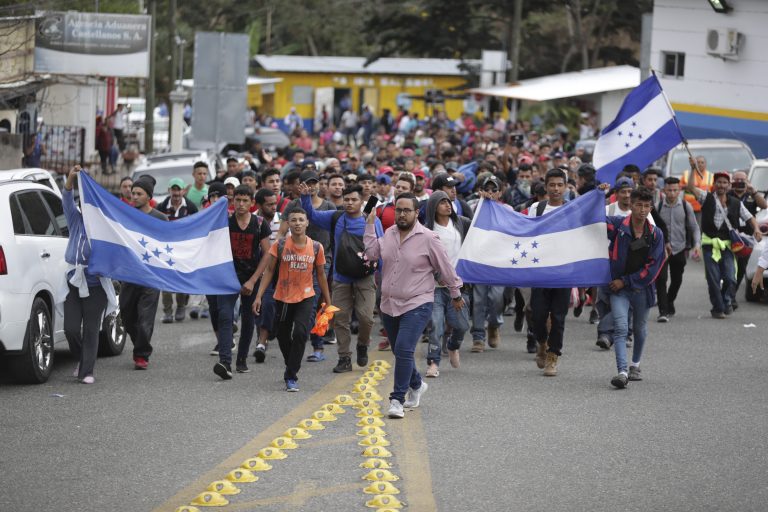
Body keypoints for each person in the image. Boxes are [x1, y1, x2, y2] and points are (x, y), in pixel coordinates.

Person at [363, 193, 465, 419]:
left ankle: (397, 399)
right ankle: (417, 384)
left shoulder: (429, 238)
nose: (401, 214)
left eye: (407, 210)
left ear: (416, 213)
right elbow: (370, 255)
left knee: (403, 349)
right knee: (401, 351)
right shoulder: (388, 234)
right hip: (388, 303)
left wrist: (456, 293)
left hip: (418, 302)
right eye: (398, 209)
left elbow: (446, 268)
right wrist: (370, 225)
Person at [301, 182, 384, 373]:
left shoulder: (372, 220)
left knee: (366, 318)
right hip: (341, 277)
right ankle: (344, 357)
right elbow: (311, 216)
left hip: (366, 277)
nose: (349, 203)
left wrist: (383, 277)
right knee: (340, 318)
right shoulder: (336, 217)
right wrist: (306, 197)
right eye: (346, 199)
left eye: (354, 199)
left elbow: (381, 248)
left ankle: (362, 344)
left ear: (362, 201)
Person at [253, 208, 331, 391]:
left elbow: (320, 275)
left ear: (307, 223)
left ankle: (291, 375)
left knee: (301, 333)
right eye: (293, 220)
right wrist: (258, 296)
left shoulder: (316, 247)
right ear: (288, 223)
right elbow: (270, 271)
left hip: (306, 296)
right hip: (283, 296)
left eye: (301, 220)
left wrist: (327, 300)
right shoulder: (279, 245)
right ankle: (291, 363)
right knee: (282, 334)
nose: (297, 223)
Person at [61, 166, 117, 384]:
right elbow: (66, 200)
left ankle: (87, 371)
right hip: (73, 282)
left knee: (92, 329)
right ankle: (81, 360)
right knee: (71, 329)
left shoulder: (107, 228)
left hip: (96, 285)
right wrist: (71, 178)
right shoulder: (76, 220)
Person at [605, 187, 666, 388]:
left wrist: (627, 281)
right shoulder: (616, 226)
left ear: (651, 207)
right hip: (618, 289)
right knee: (621, 328)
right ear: (630, 205)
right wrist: (600, 196)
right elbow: (594, 219)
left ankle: (635, 365)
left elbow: (653, 268)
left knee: (639, 329)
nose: (642, 209)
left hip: (641, 289)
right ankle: (622, 372)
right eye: (638, 205)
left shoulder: (656, 234)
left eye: (647, 205)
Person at [684, 164, 762, 318]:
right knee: (713, 279)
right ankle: (718, 308)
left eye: (724, 182)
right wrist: (693, 169)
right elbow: (691, 187)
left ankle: (726, 301)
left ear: (729, 185)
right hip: (709, 244)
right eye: (718, 182)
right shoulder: (706, 197)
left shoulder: (735, 203)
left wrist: (756, 229)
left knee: (730, 278)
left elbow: (750, 218)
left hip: (728, 246)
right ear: (714, 184)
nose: (721, 185)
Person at [212, 186, 272, 379]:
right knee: (225, 316)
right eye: (237, 200)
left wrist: (253, 281)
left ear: (252, 203)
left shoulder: (260, 223)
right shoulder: (225, 223)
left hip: (251, 278)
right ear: (233, 201)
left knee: (248, 319)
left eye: (245, 200)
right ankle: (225, 362)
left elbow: (268, 255)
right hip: (227, 278)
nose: (241, 204)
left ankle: (241, 360)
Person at [282, 169, 336, 363]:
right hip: (294, 260)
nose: (311, 186)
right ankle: (295, 340)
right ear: (300, 186)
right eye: (307, 183)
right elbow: (281, 233)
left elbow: (335, 235)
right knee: (295, 301)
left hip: (322, 259)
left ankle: (317, 346)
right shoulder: (294, 205)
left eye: (314, 182)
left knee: (313, 300)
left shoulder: (329, 205)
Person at [120, 175, 168, 370]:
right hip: (129, 275)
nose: (134, 196)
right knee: (126, 316)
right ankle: (139, 343)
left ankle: (141, 355)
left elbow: (168, 244)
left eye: (139, 193)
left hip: (151, 277)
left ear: (149, 196)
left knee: (145, 319)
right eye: (133, 193)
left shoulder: (160, 218)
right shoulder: (125, 215)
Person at [527, 168, 571, 376]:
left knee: (559, 317)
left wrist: (600, 194)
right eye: (552, 185)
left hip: (563, 272)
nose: (555, 189)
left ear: (565, 187)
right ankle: (542, 343)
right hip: (540, 271)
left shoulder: (573, 209)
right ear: (546, 187)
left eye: (559, 185)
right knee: (538, 314)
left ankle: (553, 356)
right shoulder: (536, 208)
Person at [423, 190, 471, 376]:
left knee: (461, 325)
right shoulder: (427, 229)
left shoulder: (461, 223)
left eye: (448, 202)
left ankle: (453, 346)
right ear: (434, 207)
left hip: (458, 286)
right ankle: (433, 363)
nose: (447, 205)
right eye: (442, 202)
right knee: (435, 325)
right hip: (434, 287)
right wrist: (436, 274)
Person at [655, 177, 700, 322]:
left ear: (679, 190)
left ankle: (669, 300)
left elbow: (694, 227)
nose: (672, 193)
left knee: (677, 280)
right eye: (669, 190)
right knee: (661, 280)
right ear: (664, 191)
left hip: (680, 248)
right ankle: (663, 311)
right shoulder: (658, 206)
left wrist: (696, 245)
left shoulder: (686, 206)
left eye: (675, 190)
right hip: (662, 249)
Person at [470, 176, 505, 353]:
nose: (490, 193)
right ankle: (478, 335)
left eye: (494, 190)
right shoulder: (474, 206)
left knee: (496, 297)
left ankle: (494, 324)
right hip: (479, 260)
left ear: (500, 193)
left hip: (499, 262)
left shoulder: (507, 210)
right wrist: (481, 203)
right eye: (487, 189)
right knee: (478, 299)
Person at [156, 177, 198, 324]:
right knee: (165, 282)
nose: (176, 193)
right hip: (166, 250)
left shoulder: (191, 207)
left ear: (183, 191)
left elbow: (196, 226)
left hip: (183, 250)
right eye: (173, 189)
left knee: (181, 280)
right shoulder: (161, 206)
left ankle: (181, 306)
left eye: (178, 189)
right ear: (169, 190)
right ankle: (167, 312)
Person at [729, 170, 767, 301]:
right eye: (737, 180)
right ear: (732, 181)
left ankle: (732, 295)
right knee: (729, 267)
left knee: (741, 268)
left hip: (747, 239)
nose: (739, 183)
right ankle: (727, 294)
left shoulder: (751, 195)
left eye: (742, 180)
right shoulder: (727, 194)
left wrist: (754, 191)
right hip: (730, 236)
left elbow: (764, 205)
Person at [680, 155, 714, 224]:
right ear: (694, 163)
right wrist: (688, 186)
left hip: (703, 208)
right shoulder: (687, 174)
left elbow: (713, 191)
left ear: (705, 164)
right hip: (689, 207)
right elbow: (679, 186)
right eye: (698, 162)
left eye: (702, 162)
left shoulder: (711, 176)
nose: (700, 164)